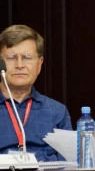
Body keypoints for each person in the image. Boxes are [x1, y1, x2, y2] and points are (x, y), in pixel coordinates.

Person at [0, 25, 71, 161]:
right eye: (11, 57)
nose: (19, 65)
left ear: (39, 63)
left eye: (27, 57)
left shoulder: (57, 112)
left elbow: (67, 167)